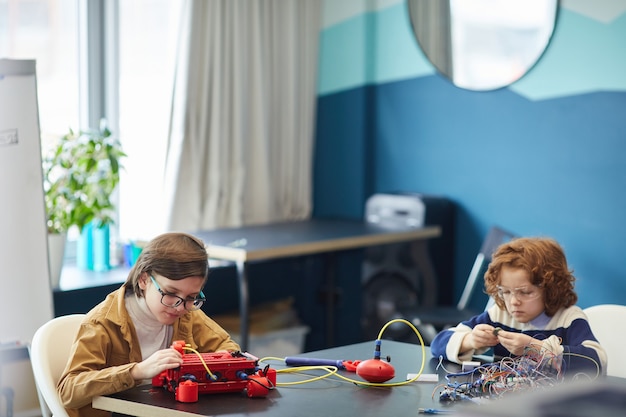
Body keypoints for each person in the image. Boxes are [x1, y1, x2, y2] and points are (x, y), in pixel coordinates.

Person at [57, 232, 240, 417]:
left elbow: (229, 350)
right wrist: (136, 371)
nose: (179, 307)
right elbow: (68, 391)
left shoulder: (186, 313)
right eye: (170, 293)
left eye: (191, 297)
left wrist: (211, 365)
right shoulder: (102, 323)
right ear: (144, 279)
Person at [430, 236, 606, 376]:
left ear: (551, 289)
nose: (513, 302)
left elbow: (595, 362)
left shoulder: (569, 319)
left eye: (525, 292)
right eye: (505, 292)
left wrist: (536, 348)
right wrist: (470, 341)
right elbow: (437, 344)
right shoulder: (500, 315)